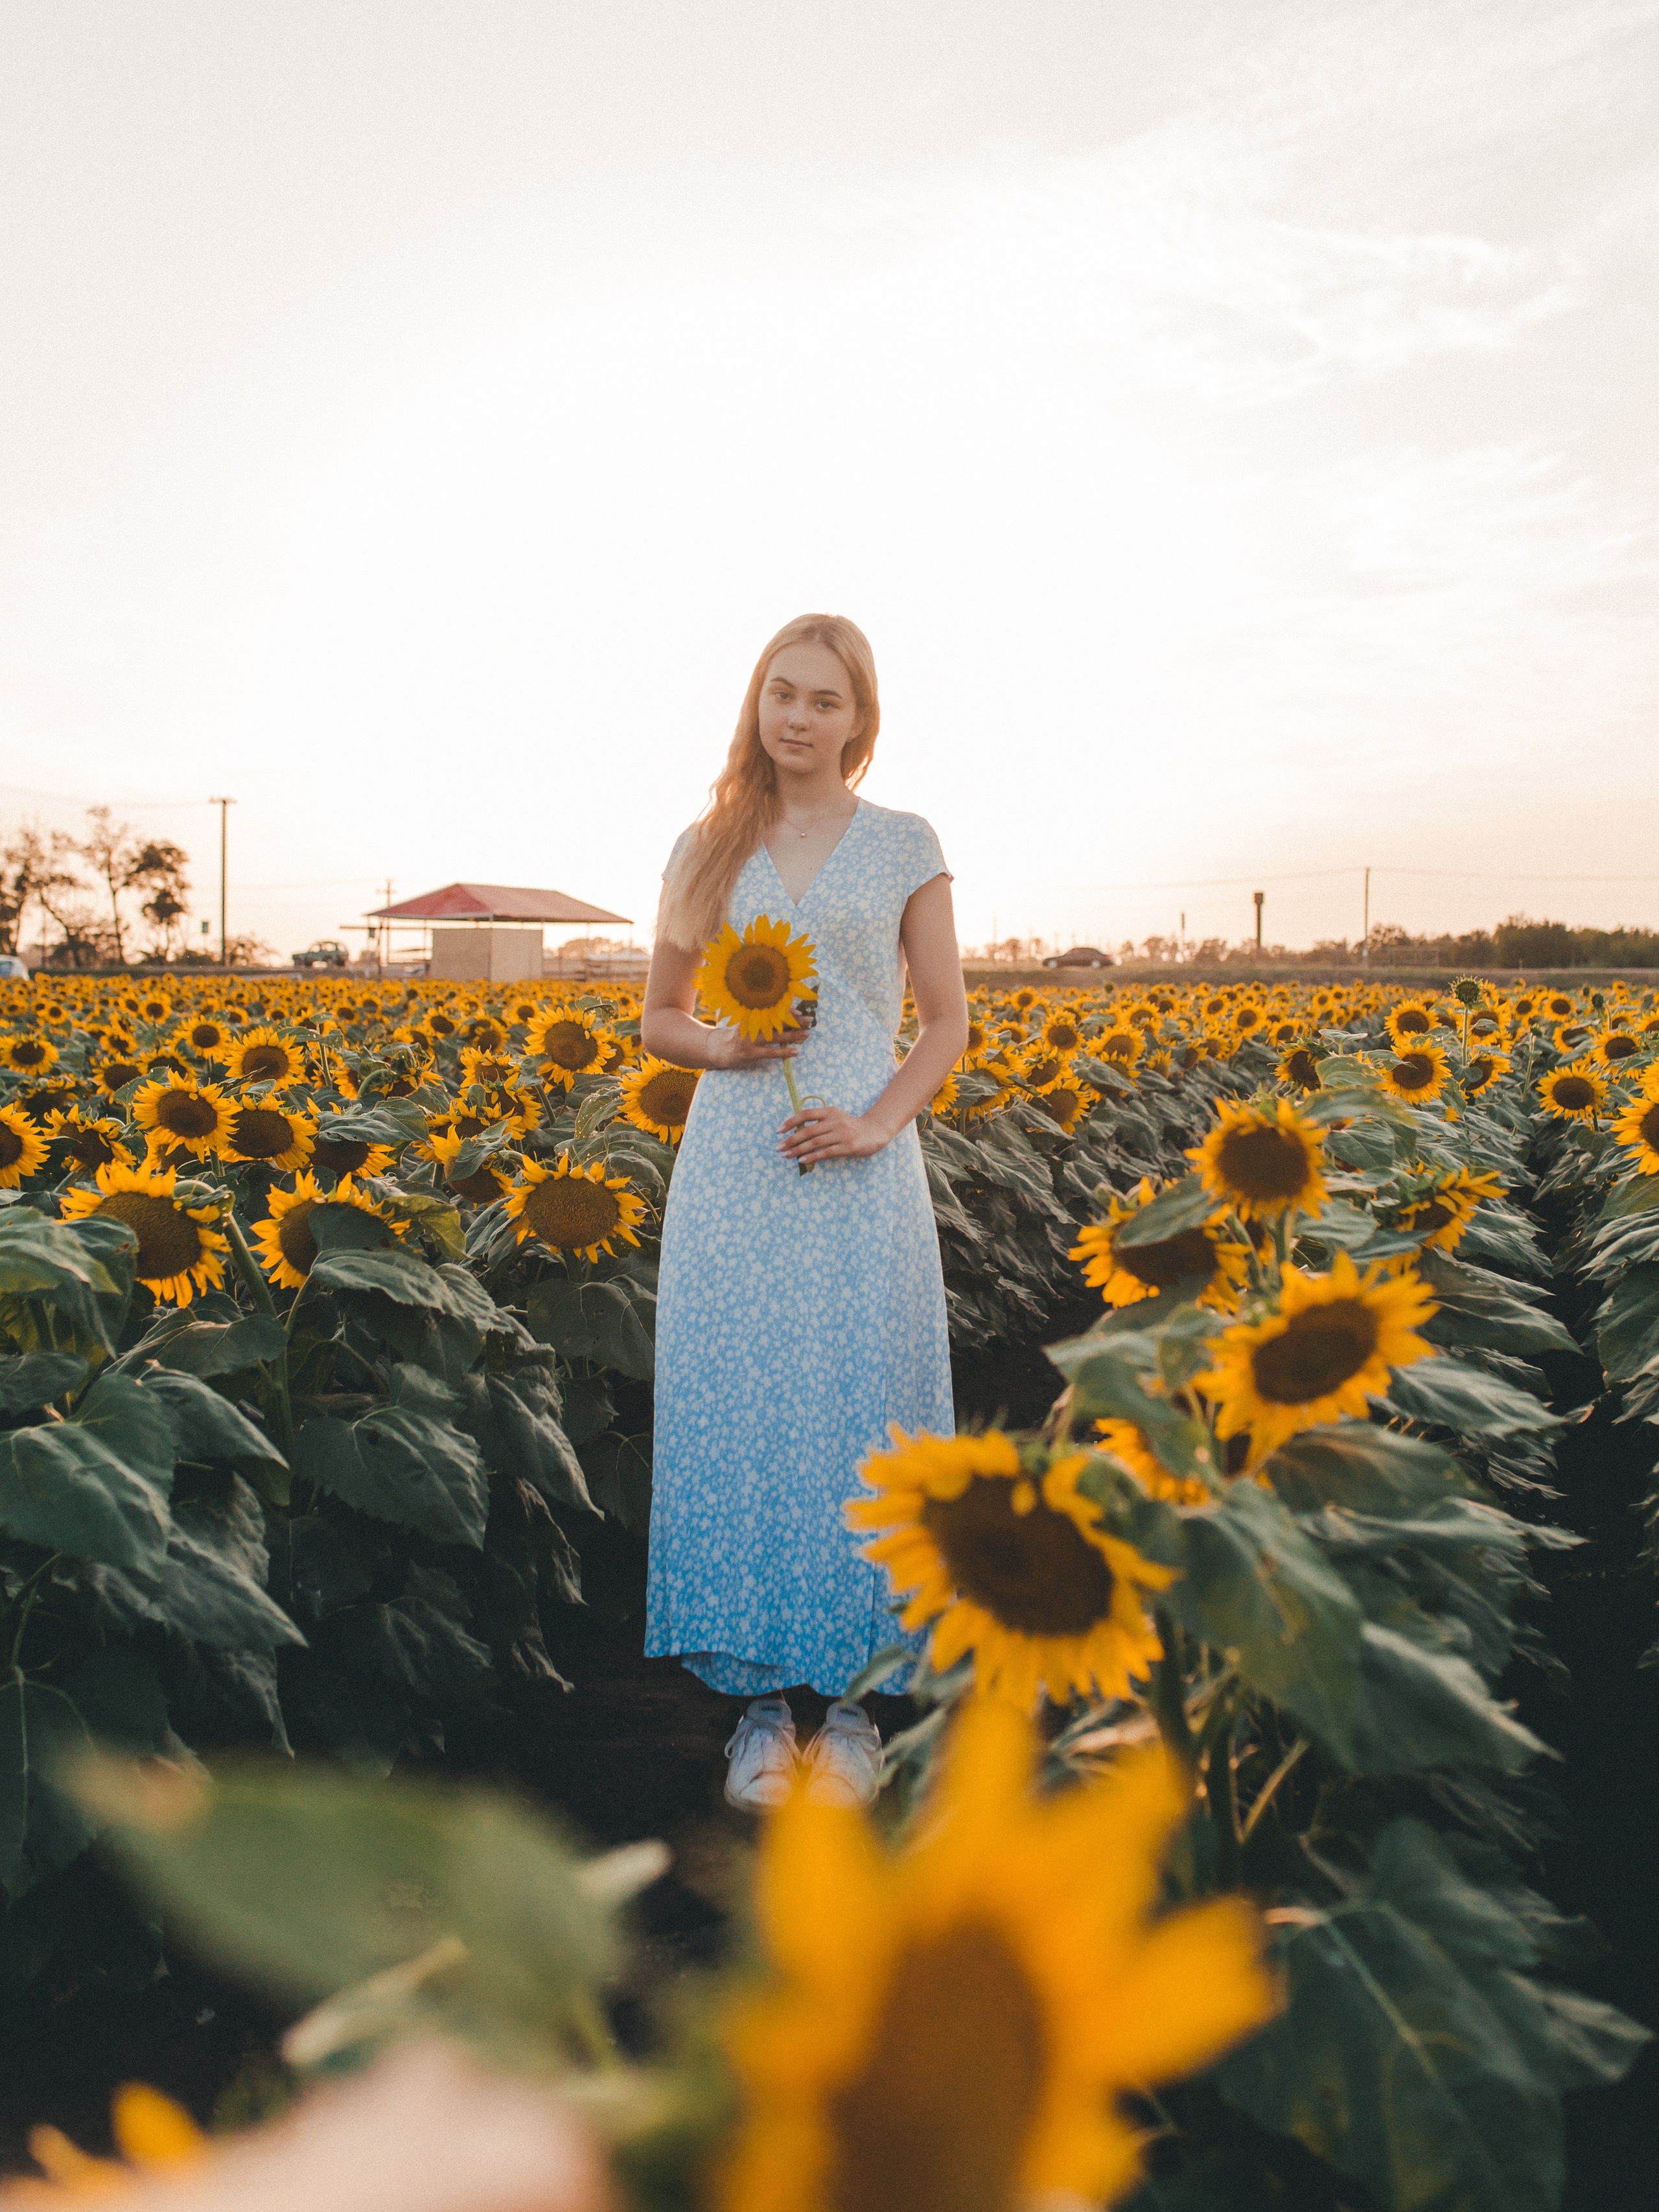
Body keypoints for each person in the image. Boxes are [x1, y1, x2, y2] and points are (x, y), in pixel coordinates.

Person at [640, 613, 968, 1812]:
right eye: (781, 692)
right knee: (742, 1415)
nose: (797, 716)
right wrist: (726, 1045)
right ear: (756, 702)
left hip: (859, 1173)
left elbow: (944, 1021)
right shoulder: (706, 843)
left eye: (824, 699)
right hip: (735, 1168)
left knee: (854, 1412)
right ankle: (763, 1713)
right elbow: (658, 1019)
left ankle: (857, 1711)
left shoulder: (904, 844)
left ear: (859, 719)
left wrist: (880, 1121)